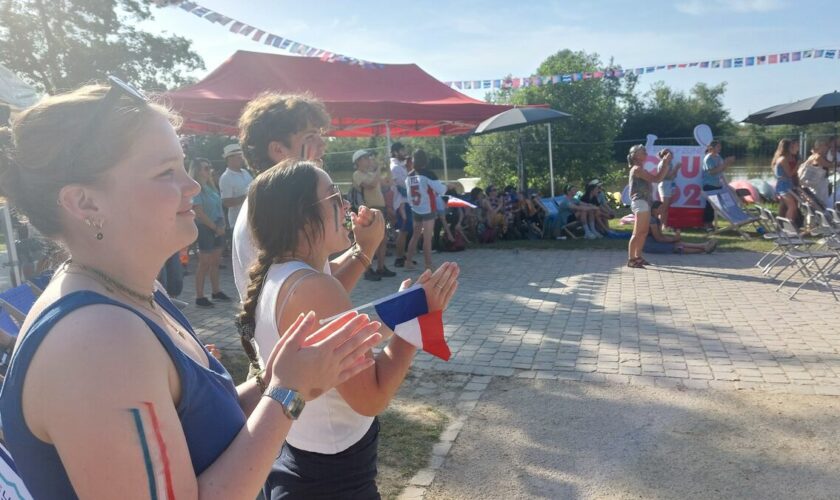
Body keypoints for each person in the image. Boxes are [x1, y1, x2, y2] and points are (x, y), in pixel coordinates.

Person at [0, 79, 382, 498]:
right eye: (166, 172)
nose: (194, 187)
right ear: (85, 203)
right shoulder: (97, 340)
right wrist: (287, 394)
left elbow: (199, 427)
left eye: (183, 166)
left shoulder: (135, 295)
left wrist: (271, 381)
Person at [237, 160, 458, 498]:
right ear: (301, 216)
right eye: (333, 198)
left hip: (304, 460)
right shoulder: (313, 286)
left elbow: (334, 327)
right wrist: (416, 318)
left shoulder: (279, 274)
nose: (346, 205)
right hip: (334, 479)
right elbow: (371, 396)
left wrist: (367, 251)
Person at [232, 92, 383, 302]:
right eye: (310, 136)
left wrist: (363, 244)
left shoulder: (273, 200)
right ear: (278, 150)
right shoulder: (277, 210)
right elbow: (315, 298)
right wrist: (366, 249)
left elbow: (320, 271)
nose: (323, 144)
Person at [189, 157, 232, 307]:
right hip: (205, 228)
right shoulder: (196, 189)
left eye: (209, 167)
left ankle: (216, 291)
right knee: (204, 263)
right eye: (206, 168)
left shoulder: (211, 187)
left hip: (217, 227)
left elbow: (219, 207)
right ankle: (199, 296)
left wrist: (222, 225)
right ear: (198, 171)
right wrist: (215, 227)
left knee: (215, 262)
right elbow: (199, 212)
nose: (209, 170)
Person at [352, 149, 396, 281]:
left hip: (380, 209)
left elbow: (388, 183)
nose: (369, 160)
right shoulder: (357, 174)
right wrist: (378, 170)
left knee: (383, 239)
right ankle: (368, 270)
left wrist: (387, 167)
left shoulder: (371, 174)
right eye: (366, 158)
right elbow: (371, 185)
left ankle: (381, 267)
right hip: (369, 210)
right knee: (370, 241)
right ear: (358, 161)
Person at [627, 145, 673, 268]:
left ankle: (638, 257)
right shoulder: (637, 169)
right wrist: (664, 163)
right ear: (636, 155)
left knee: (643, 232)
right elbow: (657, 179)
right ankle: (631, 259)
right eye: (643, 152)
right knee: (637, 232)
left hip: (644, 203)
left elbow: (657, 178)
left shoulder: (641, 169)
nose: (646, 153)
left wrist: (665, 163)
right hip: (640, 202)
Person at [404, 149, 447, 271]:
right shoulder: (428, 174)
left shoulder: (409, 175)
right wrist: (447, 186)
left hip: (415, 208)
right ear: (425, 161)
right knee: (427, 238)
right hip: (428, 208)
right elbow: (441, 190)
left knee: (415, 236)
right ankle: (428, 265)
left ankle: (408, 262)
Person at [645, 202, 717, 254]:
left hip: (653, 241)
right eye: (660, 208)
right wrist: (673, 239)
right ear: (654, 210)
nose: (663, 209)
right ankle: (704, 249)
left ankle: (704, 245)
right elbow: (658, 238)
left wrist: (674, 239)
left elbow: (661, 236)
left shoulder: (657, 220)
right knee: (676, 247)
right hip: (649, 245)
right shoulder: (652, 220)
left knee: (678, 243)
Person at [701, 140, 736, 230]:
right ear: (712, 148)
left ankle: (711, 223)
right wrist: (725, 163)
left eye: (720, 147)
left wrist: (728, 163)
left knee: (716, 206)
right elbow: (712, 172)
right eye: (718, 147)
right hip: (709, 185)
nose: (720, 148)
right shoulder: (708, 158)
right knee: (710, 206)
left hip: (718, 184)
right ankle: (706, 224)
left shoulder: (718, 157)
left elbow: (721, 169)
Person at [218, 143, 253, 232]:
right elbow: (226, 202)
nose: (242, 159)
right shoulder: (225, 178)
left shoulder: (245, 172)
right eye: (239, 157)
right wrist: (249, 196)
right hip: (238, 222)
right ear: (230, 159)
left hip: (251, 220)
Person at [390, 142, 414, 267]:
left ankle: (403, 255)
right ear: (395, 152)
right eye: (402, 150)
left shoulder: (400, 166)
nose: (405, 153)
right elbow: (404, 185)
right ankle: (399, 258)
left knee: (406, 230)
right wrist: (410, 170)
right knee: (403, 230)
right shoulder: (395, 167)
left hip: (405, 202)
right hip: (401, 204)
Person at [799, 139, 833, 209]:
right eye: (825, 145)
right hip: (817, 184)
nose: (827, 148)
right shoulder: (817, 157)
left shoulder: (814, 155)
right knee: (818, 202)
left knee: (817, 202)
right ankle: (817, 217)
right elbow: (829, 165)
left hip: (816, 183)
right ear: (820, 146)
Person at [773, 138, 798, 221]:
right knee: (792, 207)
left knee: (787, 207)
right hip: (784, 186)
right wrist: (798, 165)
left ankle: (784, 225)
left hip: (786, 185)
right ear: (787, 148)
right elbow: (789, 174)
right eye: (791, 146)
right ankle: (788, 225)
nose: (793, 148)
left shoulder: (782, 158)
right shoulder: (783, 159)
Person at [656, 156, 680, 229]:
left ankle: (664, 225)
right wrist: (676, 168)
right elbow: (667, 176)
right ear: (664, 156)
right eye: (669, 155)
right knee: (664, 206)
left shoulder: (670, 164)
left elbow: (674, 175)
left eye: (671, 155)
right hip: (664, 185)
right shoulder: (663, 164)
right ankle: (659, 225)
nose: (671, 157)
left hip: (670, 185)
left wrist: (676, 169)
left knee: (667, 207)